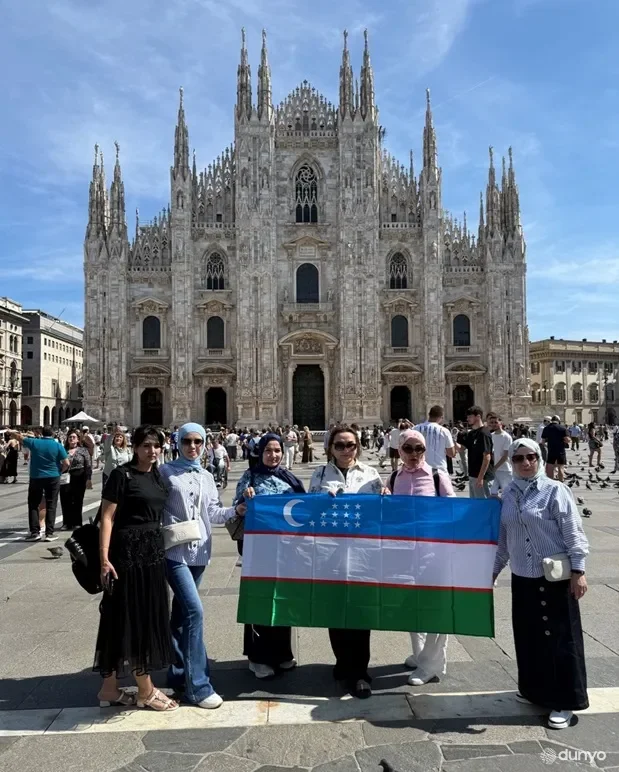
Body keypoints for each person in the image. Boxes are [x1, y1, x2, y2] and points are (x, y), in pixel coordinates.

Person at [493, 438, 589, 730]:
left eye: (531, 456)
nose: (525, 463)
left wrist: (579, 570)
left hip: (555, 578)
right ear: (511, 461)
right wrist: (491, 573)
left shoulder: (555, 490)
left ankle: (564, 700)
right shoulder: (507, 494)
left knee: (561, 638)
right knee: (529, 637)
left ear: (539, 457)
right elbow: (504, 542)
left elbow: (573, 532)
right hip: (523, 577)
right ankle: (534, 691)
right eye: (518, 458)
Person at [161, 423, 246, 709]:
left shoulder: (207, 476)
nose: (193, 446)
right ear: (177, 442)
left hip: (199, 553)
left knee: (180, 614)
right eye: (187, 441)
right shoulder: (165, 472)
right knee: (194, 612)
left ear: (205, 443)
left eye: (198, 441)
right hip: (174, 552)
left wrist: (236, 510)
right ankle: (198, 686)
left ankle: (177, 674)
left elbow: (213, 513)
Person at [95, 425, 177, 711]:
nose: (152, 451)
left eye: (156, 446)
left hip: (151, 554)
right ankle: (146, 690)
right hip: (127, 556)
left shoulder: (157, 475)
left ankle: (109, 688)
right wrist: (104, 558)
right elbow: (107, 517)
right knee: (134, 617)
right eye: (146, 445)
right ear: (136, 447)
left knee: (124, 618)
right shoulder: (122, 475)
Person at [308, 425, 385, 699]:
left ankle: (360, 672)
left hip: (362, 552)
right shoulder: (319, 474)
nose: (345, 450)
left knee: (360, 611)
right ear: (330, 447)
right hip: (330, 552)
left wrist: (386, 498)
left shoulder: (371, 474)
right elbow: (309, 510)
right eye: (339, 445)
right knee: (335, 609)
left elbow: (380, 512)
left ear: (357, 447)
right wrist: (321, 502)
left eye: (350, 445)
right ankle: (343, 662)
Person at [386, 429, 455, 685]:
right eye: (408, 448)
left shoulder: (437, 476)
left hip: (434, 552)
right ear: (400, 450)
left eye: (419, 449)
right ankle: (420, 655)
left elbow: (454, 510)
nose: (414, 453)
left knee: (435, 606)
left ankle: (431, 665)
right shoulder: (394, 477)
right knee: (412, 605)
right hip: (405, 553)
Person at [234, 433, 305, 678]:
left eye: (277, 451)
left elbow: (304, 508)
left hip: (286, 550)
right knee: (260, 600)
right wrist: (243, 503)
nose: (273, 455)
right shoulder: (250, 477)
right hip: (259, 550)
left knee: (283, 599)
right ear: (260, 452)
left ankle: (282, 653)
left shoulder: (290, 478)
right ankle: (258, 658)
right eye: (268, 450)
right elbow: (237, 508)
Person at [9, 427, 69, 542]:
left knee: (33, 504)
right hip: (53, 477)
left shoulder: (34, 442)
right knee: (51, 504)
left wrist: (11, 432)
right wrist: (59, 471)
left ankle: (35, 532)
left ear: (42, 433)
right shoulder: (57, 445)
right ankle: (49, 533)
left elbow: (20, 437)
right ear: (53, 434)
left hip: (36, 477)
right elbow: (66, 463)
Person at [59, 430, 92, 530]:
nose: (71, 439)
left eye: (74, 437)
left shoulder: (83, 450)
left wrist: (88, 478)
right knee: (65, 499)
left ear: (78, 439)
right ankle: (66, 523)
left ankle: (77, 522)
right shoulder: (63, 449)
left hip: (79, 476)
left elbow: (88, 465)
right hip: (65, 476)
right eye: (70, 437)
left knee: (78, 500)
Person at [458, 407, 494, 498]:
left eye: (469, 417)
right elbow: (461, 448)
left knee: (484, 503)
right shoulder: (471, 433)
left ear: (478, 417)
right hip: (473, 475)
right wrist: (449, 439)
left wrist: (480, 477)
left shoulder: (484, 433)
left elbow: (487, 457)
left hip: (482, 477)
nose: (467, 419)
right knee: (474, 503)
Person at [413, 405, 456, 473]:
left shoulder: (415, 429)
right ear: (441, 417)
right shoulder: (444, 431)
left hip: (419, 470)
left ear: (429, 415)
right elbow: (451, 453)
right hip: (439, 470)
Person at [487, 413, 513, 497]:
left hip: (504, 469)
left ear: (500, 423)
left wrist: (495, 467)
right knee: (492, 493)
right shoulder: (491, 436)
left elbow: (505, 456)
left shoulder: (506, 437)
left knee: (507, 493)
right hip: (494, 469)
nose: (493, 424)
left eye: (495, 422)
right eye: (492, 422)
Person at [541, 415, 569, 482]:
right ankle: (561, 482)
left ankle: (551, 482)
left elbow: (542, 442)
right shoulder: (562, 428)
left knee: (550, 468)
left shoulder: (546, 428)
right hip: (560, 450)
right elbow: (567, 440)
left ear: (551, 421)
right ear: (558, 421)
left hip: (551, 450)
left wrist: (547, 445)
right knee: (560, 468)